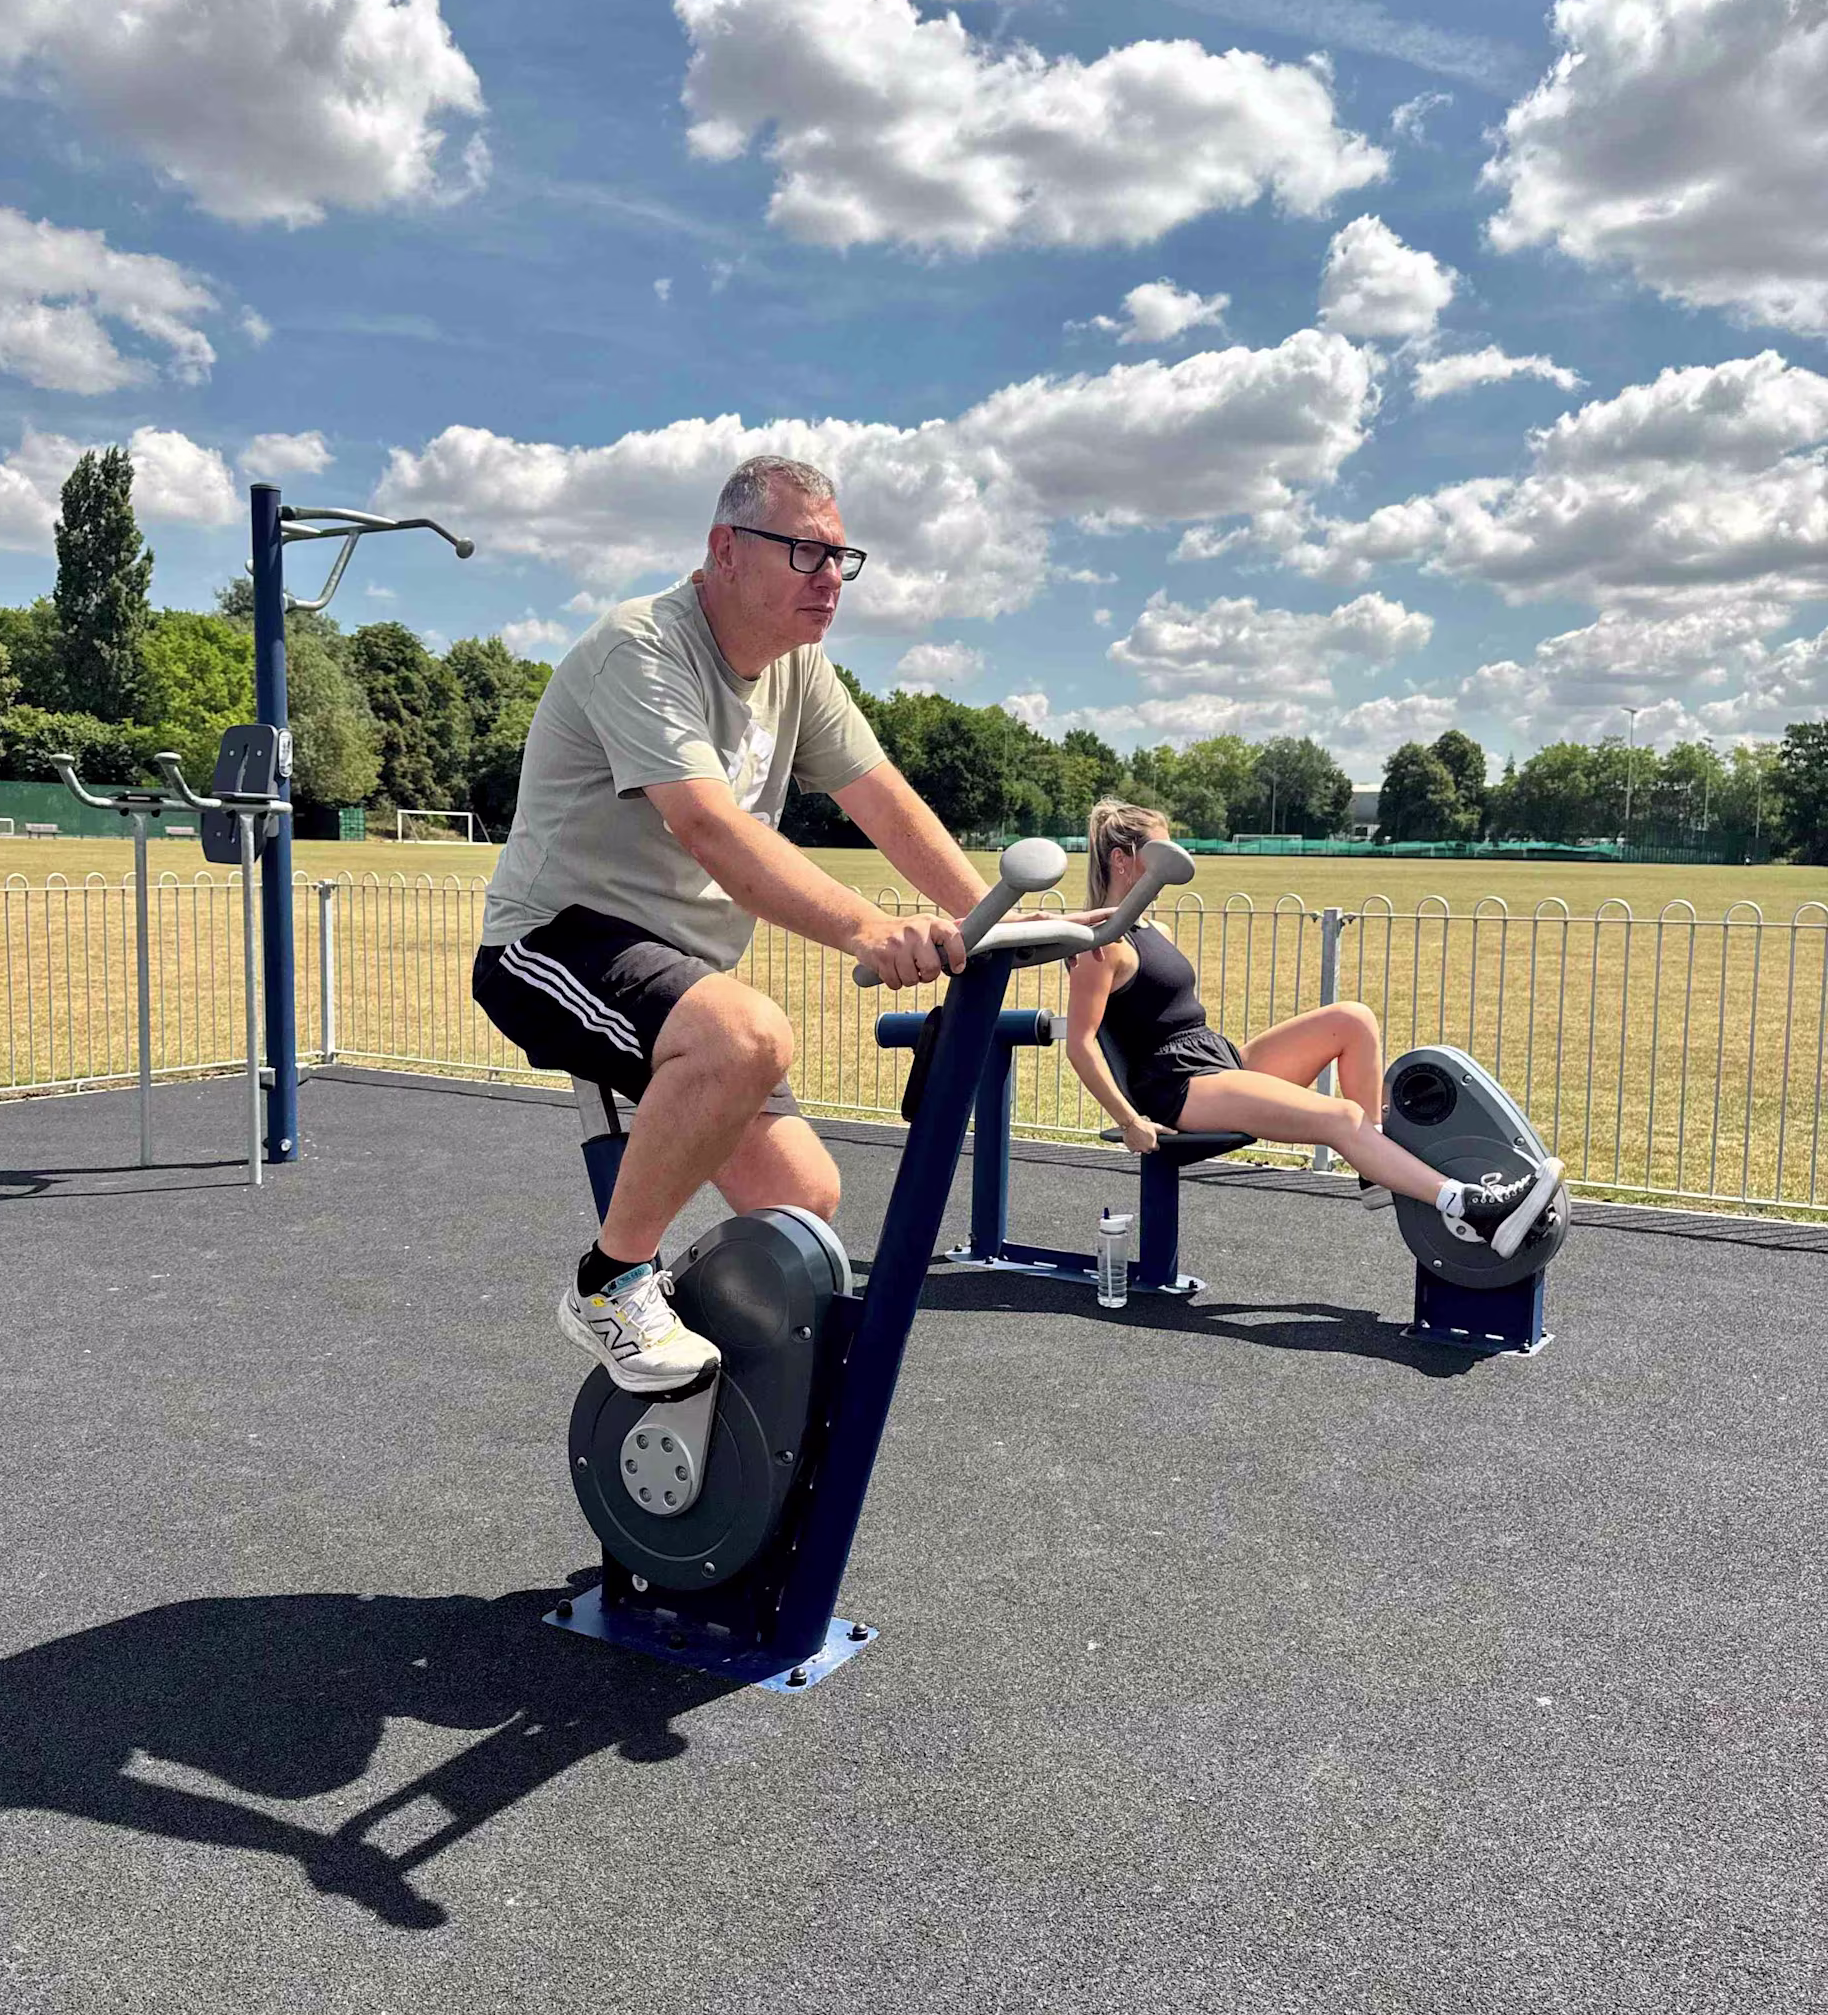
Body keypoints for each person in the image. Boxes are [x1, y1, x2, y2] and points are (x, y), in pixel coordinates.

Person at [473, 455, 988, 1395]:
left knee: (803, 1209)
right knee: (747, 1034)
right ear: (726, 549)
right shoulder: (643, 646)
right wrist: (871, 928)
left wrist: (994, 917)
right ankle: (609, 1284)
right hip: (554, 940)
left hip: (672, 971)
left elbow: (883, 801)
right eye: (805, 551)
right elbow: (709, 825)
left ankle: (705, 1404)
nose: (831, 577)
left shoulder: (800, 670)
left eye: (842, 556)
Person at [1063, 801, 1566, 1258]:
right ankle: (1473, 1209)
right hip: (1177, 1086)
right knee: (1340, 1116)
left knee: (1352, 1018)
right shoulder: (1098, 948)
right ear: (1122, 860)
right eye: (1161, 850)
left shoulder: (1153, 929)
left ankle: (1374, 1168)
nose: (1176, 859)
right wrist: (1130, 1121)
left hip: (1215, 1057)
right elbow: (1082, 1046)